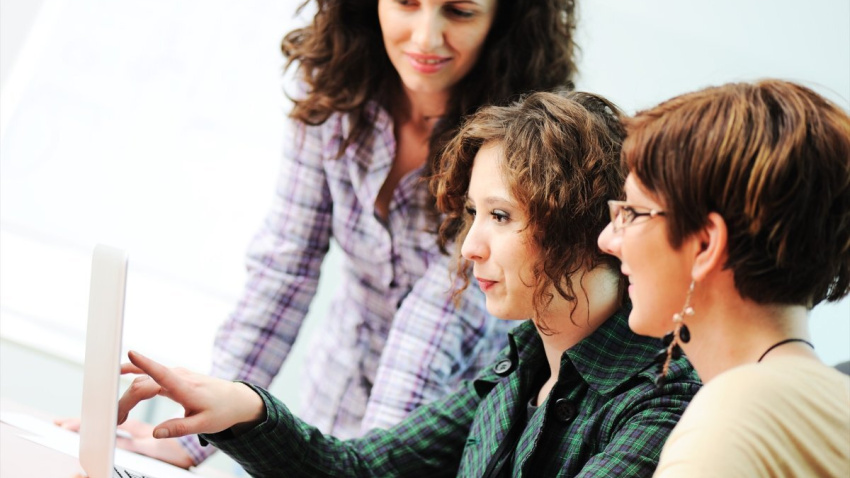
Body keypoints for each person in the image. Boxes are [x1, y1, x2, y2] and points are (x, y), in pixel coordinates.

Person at [59, 0, 581, 468]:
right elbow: (286, 265)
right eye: (406, 2)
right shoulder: (335, 91)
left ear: (505, 19)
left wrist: (361, 466)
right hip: (336, 384)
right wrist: (189, 436)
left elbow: (437, 320)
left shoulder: (515, 143)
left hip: (446, 421)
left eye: (460, 12)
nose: (425, 37)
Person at [111, 91, 701, 477]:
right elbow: (359, 471)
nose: (470, 247)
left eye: (500, 216)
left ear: (582, 222)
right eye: (471, 215)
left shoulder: (662, 400)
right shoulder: (518, 370)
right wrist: (243, 409)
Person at [597, 79, 850, 477]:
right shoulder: (837, 403)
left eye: (631, 213)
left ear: (704, 244)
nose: (608, 239)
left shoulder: (728, 423)